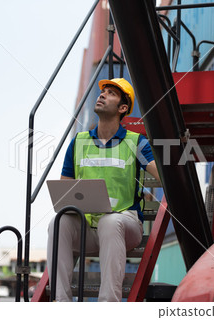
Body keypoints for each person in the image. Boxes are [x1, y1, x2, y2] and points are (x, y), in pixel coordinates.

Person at [47, 78, 160, 302]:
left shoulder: (135, 142)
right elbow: (65, 190)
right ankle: (59, 303)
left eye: (110, 93)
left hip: (124, 225)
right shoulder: (78, 142)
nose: (102, 95)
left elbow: (163, 176)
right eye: (102, 91)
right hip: (88, 229)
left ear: (123, 108)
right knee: (58, 222)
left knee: (110, 222)